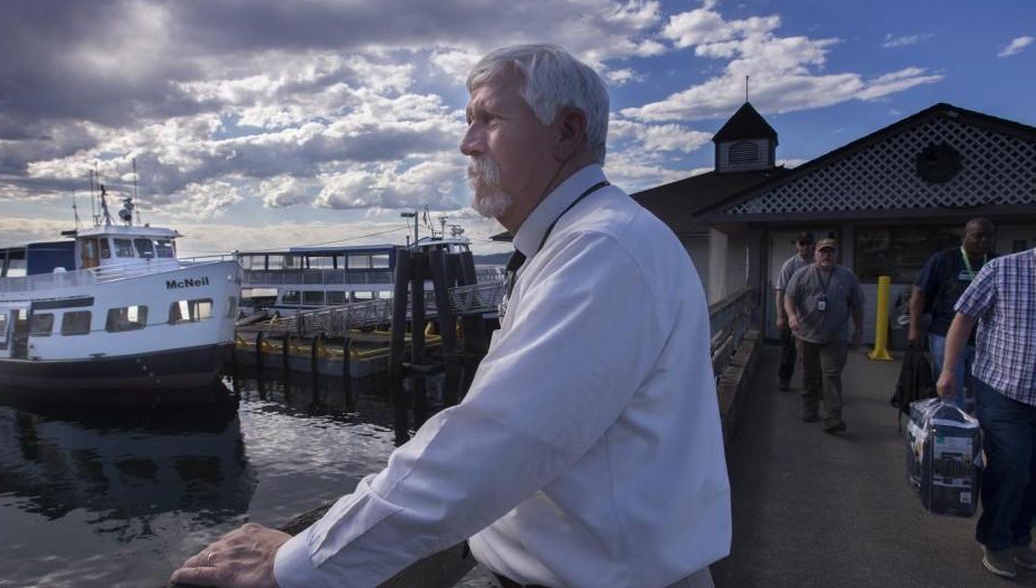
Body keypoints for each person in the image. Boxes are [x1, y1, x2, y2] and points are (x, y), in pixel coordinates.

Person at [171, 44, 731, 588]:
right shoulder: (586, 240)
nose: (467, 143)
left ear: (567, 130)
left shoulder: (600, 250)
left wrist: (296, 561)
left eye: (489, 119)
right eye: (468, 122)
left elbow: (493, 443)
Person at [937, 248, 1036, 580]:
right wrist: (949, 369)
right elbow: (964, 317)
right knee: (1012, 467)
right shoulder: (1003, 269)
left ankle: (1020, 536)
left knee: (1033, 473)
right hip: (1003, 390)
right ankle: (995, 540)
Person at [908, 218, 996, 409]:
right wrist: (914, 329)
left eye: (988, 237)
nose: (983, 241)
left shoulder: (995, 262)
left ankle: (973, 430)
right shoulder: (944, 259)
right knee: (951, 387)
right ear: (964, 236)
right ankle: (953, 430)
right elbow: (919, 294)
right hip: (944, 333)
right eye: (977, 236)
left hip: (983, 338)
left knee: (980, 389)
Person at [784, 238, 865, 433]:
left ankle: (832, 417)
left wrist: (859, 330)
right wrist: (791, 316)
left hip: (835, 336)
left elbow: (857, 305)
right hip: (806, 335)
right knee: (810, 375)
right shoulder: (801, 274)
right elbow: (789, 297)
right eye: (822, 252)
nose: (826, 255)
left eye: (830, 251)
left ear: (836, 254)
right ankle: (810, 409)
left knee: (831, 375)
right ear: (815, 254)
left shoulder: (847, 277)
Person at [775, 232, 815, 391]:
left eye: (808, 243)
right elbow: (780, 290)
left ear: (814, 245)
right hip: (791, 314)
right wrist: (780, 316)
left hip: (812, 317)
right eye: (802, 243)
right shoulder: (789, 265)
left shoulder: (818, 263)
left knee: (811, 354)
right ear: (797, 245)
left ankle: (813, 386)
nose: (805, 247)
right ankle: (784, 379)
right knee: (788, 350)